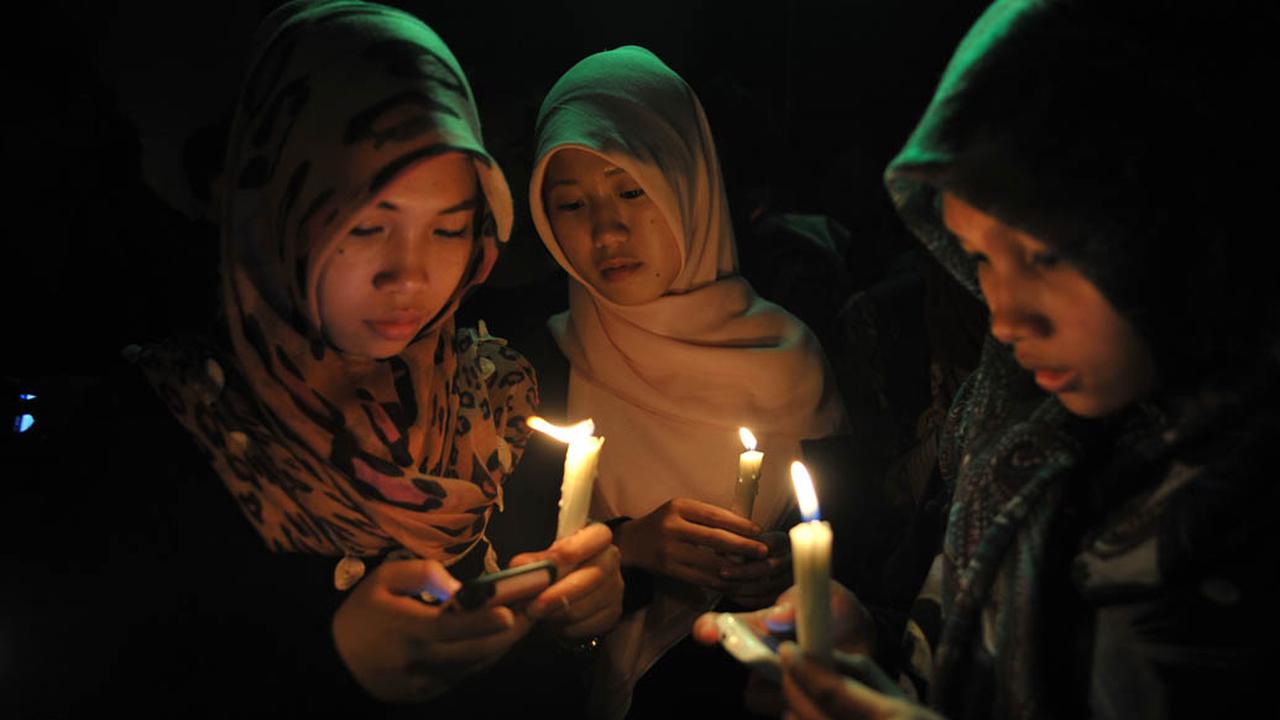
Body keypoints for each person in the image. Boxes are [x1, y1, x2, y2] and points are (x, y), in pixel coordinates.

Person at [694, 0, 1280, 717]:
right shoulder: (1002, 410)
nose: (1003, 319)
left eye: (1044, 255)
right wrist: (867, 646)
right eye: (978, 258)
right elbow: (957, 645)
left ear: (1182, 210)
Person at [114, 0, 621, 711]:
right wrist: (333, 663)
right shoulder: (155, 436)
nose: (409, 276)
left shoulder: (499, 406)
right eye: (365, 224)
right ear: (273, 209)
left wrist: (581, 621)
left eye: (447, 230)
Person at [521, 45, 847, 716]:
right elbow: (507, 581)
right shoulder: (536, 370)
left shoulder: (790, 355)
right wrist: (629, 547)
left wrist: (793, 567)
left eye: (633, 190)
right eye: (572, 204)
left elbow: (855, 535)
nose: (608, 229)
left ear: (690, 182)